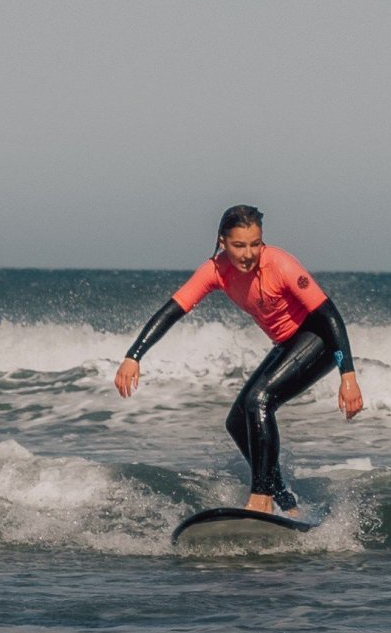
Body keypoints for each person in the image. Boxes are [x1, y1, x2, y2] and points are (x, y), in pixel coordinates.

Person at [114, 205, 363, 516]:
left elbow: (329, 316)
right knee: (236, 421)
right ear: (223, 242)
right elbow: (173, 309)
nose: (248, 254)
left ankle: (261, 497)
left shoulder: (281, 265)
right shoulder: (215, 270)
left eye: (255, 244)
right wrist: (133, 356)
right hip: (286, 344)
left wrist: (347, 374)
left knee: (259, 400)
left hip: (320, 340)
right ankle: (282, 495)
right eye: (239, 245)